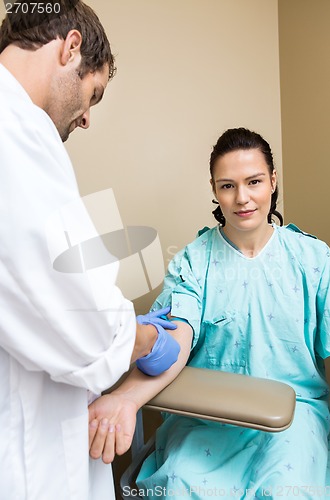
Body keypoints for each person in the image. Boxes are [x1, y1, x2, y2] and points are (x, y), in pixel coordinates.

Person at [88, 127, 330, 498]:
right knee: (180, 486)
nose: (242, 198)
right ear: (214, 190)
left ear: (273, 181)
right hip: (208, 419)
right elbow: (175, 341)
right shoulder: (193, 261)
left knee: (287, 490)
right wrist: (124, 398)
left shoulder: (313, 259)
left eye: (254, 182)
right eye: (227, 186)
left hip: (293, 417)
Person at [0, 2, 179, 499]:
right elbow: (85, 320)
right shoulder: (20, 136)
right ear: (70, 47)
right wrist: (145, 338)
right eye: (92, 94)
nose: (85, 120)